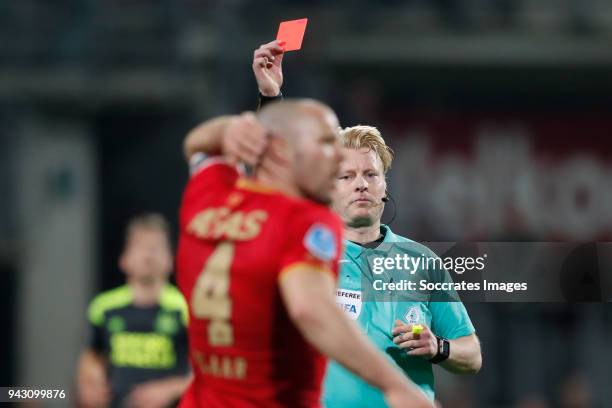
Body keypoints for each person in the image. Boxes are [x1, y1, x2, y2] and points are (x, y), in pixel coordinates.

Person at [253, 40, 482, 406]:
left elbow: (472, 354)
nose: (360, 183)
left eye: (370, 174)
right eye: (346, 176)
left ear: (385, 186)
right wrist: (271, 96)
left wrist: (438, 346)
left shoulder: (422, 262)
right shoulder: (308, 252)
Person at [176, 101, 431, 408]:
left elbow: (197, 145)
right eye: (325, 143)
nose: (338, 156)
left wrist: (228, 128)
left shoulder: (208, 196)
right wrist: (395, 386)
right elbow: (311, 309)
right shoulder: (304, 220)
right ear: (282, 150)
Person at [77, 213, 191, 408]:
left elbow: (207, 374)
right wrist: (87, 383)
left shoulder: (186, 309)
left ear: (171, 259)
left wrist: (170, 389)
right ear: (124, 259)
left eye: (155, 247)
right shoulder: (104, 307)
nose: (148, 255)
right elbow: (92, 354)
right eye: (140, 246)